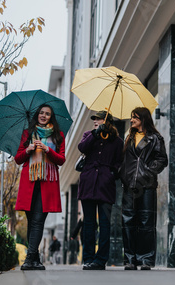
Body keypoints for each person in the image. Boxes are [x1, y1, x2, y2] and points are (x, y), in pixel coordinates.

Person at [15, 104, 66, 270]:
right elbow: (18, 159)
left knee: (38, 221)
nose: (44, 116)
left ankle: (29, 259)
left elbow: (61, 160)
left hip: (47, 183)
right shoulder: (27, 134)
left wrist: (47, 150)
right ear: (37, 115)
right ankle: (35, 259)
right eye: (42, 113)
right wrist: (29, 149)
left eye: (48, 114)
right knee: (31, 221)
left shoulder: (58, 136)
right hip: (29, 182)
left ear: (52, 117)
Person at [119, 107, 168, 270]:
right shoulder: (129, 137)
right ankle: (130, 259)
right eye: (131, 117)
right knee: (128, 223)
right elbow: (124, 160)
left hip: (146, 186)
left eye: (135, 117)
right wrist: (123, 175)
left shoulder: (155, 138)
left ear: (143, 119)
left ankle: (145, 259)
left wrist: (147, 172)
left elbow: (162, 159)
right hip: (129, 186)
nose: (132, 120)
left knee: (146, 223)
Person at [77, 110, 123, 270]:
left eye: (99, 119)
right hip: (88, 183)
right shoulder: (88, 135)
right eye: (94, 119)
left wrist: (112, 173)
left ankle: (100, 259)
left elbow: (119, 162)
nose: (95, 121)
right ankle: (88, 258)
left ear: (107, 121)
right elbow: (82, 147)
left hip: (106, 185)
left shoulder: (117, 141)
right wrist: (95, 134)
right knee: (89, 224)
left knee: (105, 224)